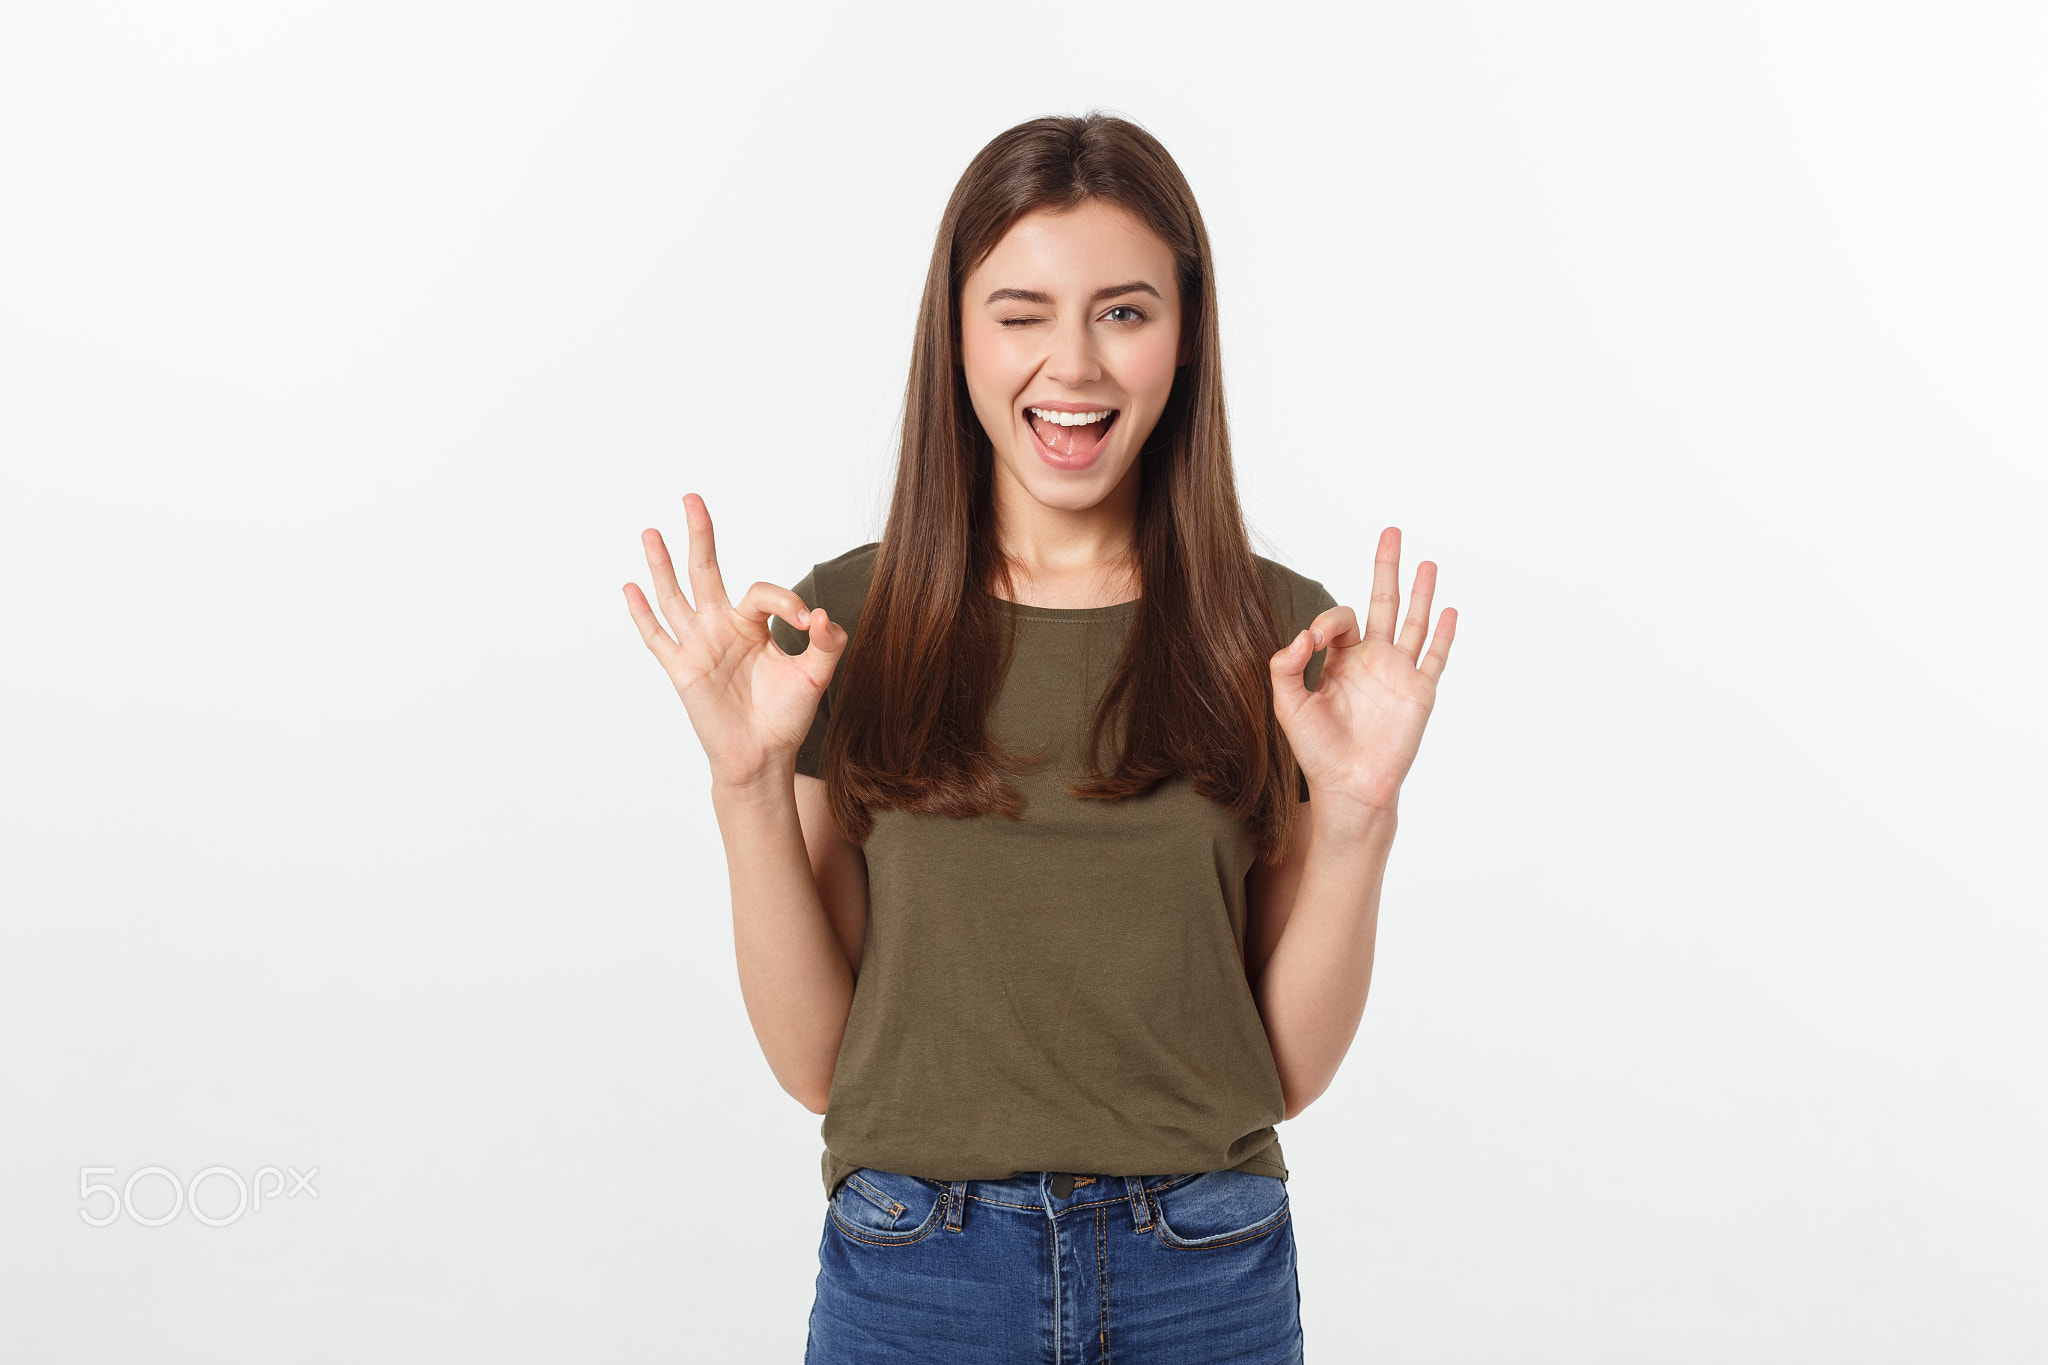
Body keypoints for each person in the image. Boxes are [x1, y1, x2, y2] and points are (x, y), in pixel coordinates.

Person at [622, 112, 1455, 1363]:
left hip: (1205, 1275)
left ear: (1184, 338)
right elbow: (815, 1068)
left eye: (1122, 312)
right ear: (954, 335)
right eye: (1019, 313)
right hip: (914, 1278)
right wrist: (744, 780)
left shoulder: (1275, 636)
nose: (1071, 366)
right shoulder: (846, 623)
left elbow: (1279, 1073)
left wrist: (1357, 818)